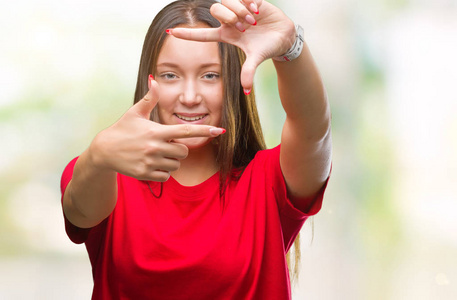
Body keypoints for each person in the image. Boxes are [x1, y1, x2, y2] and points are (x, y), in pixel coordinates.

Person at [60, 0, 332, 299]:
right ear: (148, 80)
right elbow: (80, 214)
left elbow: (313, 130)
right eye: (170, 75)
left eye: (210, 75)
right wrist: (98, 155)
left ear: (232, 82)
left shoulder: (269, 181)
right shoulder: (103, 170)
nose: (190, 97)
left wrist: (290, 46)